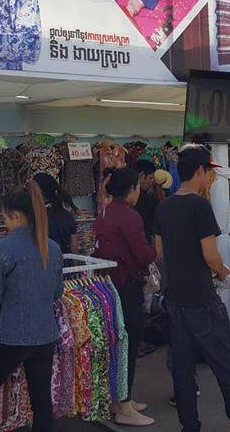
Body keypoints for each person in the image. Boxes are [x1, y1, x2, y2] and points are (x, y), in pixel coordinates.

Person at [154, 144, 230, 432]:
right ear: (200, 171)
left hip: (175, 300)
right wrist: (223, 271)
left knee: (183, 372)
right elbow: (211, 256)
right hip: (202, 299)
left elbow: (159, 251)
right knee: (227, 368)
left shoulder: (164, 206)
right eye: (209, 171)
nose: (210, 177)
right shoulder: (200, 206)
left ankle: (190, 426)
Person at [0, 181, 64, 432]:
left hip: (10, 338)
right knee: (41, 403)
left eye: (5, 217)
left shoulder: (2, 251)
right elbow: (57, 292)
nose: (4, 223)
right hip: (44, 335)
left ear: (15, 216)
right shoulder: (52, 247)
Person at [93, 166, 157, 426]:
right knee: (128, 343)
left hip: (108, 284)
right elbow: (142, 254)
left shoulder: (105, 211)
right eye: (137, 187)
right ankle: (124, 405)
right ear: (131, 189)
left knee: (116, 343)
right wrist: (156, 251)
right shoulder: (130, 216)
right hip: (127, 284)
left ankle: (120, 398)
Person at [33, 172, 80, 255]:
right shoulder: (67, 216)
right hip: (65, 260)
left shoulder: (35, 218)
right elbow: (74, 248)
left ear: (39, 192)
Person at [132, 159, 161, 242]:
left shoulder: (147, 195)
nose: (151, 182)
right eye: (150, 178)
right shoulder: (144, 197)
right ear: (142, 175)